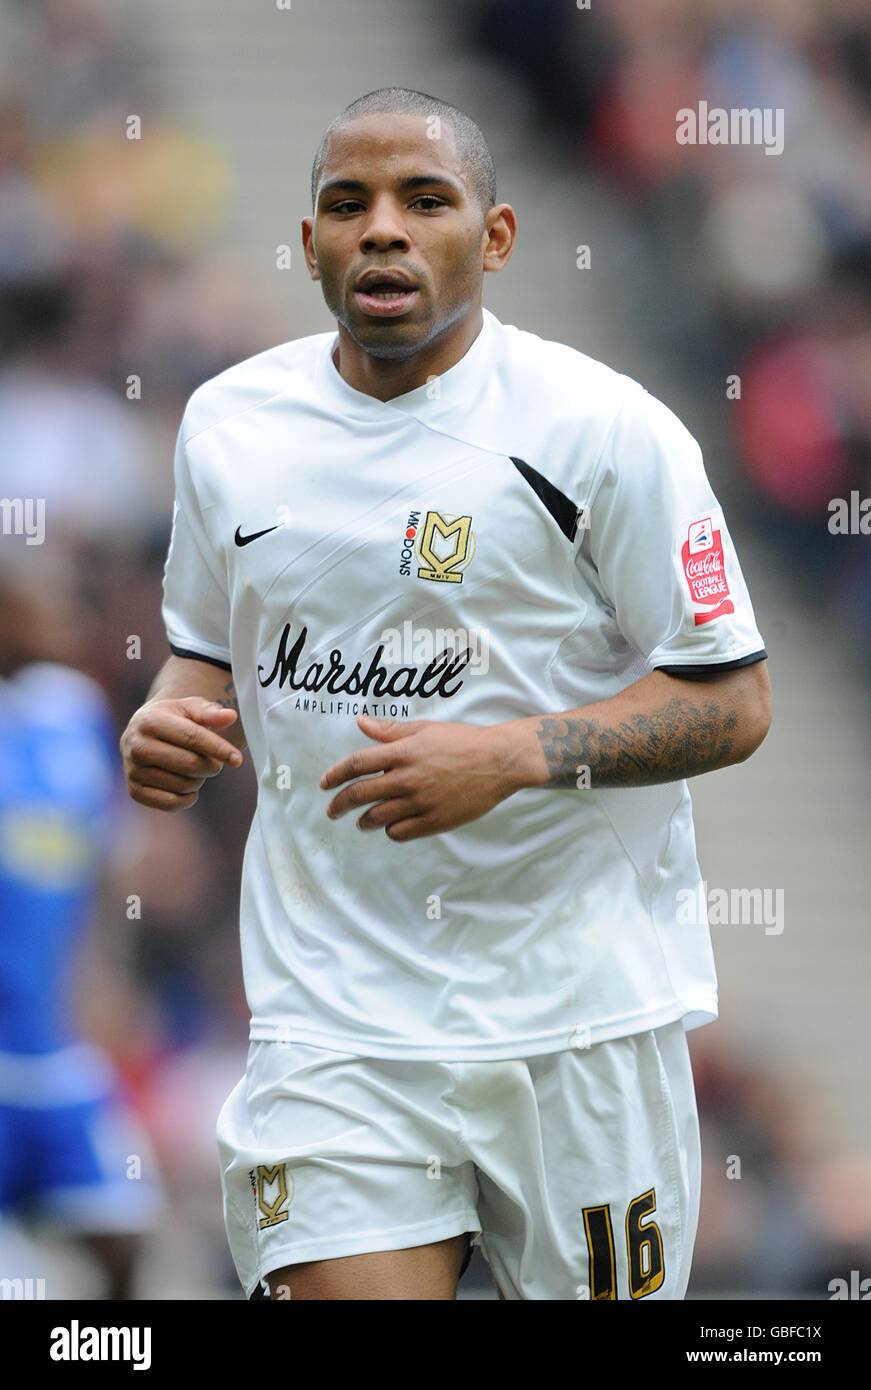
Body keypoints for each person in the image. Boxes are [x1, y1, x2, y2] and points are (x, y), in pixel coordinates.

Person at [120, 87, 771, 1301]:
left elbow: (732, 701)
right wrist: (170, 713)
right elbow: (205, 645)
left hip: (577, 1019)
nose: (382, 229)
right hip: (336, 1021)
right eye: (345, 204)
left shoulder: (605, 432)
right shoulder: (229, 427)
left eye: (425, 200)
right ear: (307, 241)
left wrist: (517, 753)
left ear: (498, 234)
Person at [0, 564, 162, 1298]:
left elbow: (101, 870)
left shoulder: (70, 712)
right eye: (39, 599)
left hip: (57, 1047)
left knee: (124, 1242)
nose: (61, 615)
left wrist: (110, 976)